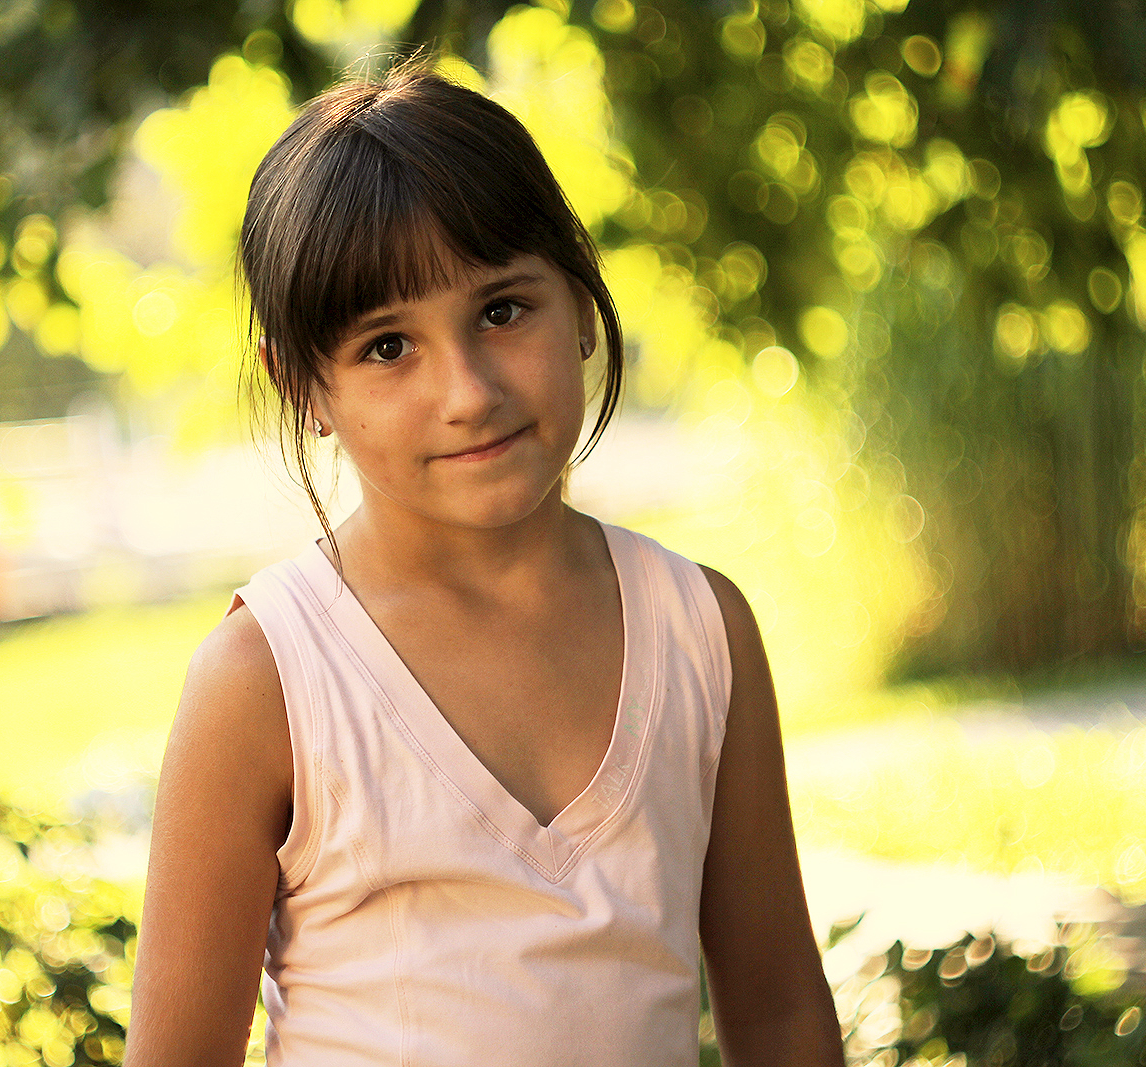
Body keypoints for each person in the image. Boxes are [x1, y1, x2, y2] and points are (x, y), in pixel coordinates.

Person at [123, 62, 844, 1067]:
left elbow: (777, 1016)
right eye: (386, 347)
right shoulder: (266, 679)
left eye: (503, 310)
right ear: (303, 387)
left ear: (581, 299)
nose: (466, 390)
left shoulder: (700, 631)